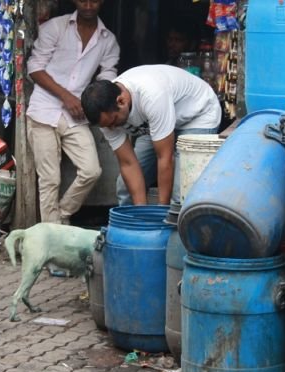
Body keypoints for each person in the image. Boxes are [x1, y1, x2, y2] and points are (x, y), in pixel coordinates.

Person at [26, 0, 120, 225]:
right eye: (83, 0)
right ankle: (52, 234)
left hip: (76, 115)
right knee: (49, 180)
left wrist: (91, 100)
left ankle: (62, 215)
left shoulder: (108, 40)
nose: (88, 5)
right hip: (43, 110)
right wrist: (66, 96)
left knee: (91, 170)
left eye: (94, 0)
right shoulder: (55, 28)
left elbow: (108, 76)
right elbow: (34, 68)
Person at [81, 64, 222, 206]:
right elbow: (128, 163)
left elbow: (165, 158)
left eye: (114, 121)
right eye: (106, 126)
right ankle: (133, 226)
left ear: (121, 101)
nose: (111, 128)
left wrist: (161, 211)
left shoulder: (151, 95)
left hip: (197, 115)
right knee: (125, 188)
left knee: (180, 196)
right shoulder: (106, 117)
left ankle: (174, 227)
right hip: (155, 124)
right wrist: (141, 211)